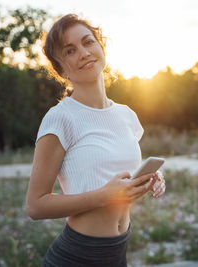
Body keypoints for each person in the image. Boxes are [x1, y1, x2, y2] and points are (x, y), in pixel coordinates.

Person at [25, 13, 166, 266]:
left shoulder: (126, 115)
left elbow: (121, 178)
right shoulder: (60, 118)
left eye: (88, 42)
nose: (83, 52)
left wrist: (150, 179)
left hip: (117, 253)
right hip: (77, 256)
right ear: (61, 69)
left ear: (101, 46)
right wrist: (104, 195)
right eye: (69, 51)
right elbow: (35, 206)